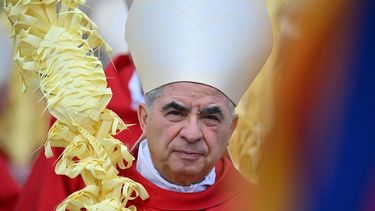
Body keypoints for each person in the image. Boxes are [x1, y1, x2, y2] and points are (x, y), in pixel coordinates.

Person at [17, 0, 273, 210]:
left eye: (210, 117)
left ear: (232, 128)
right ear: (144, 118)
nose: (192, 133)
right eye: (176, 112)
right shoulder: (90, 185)